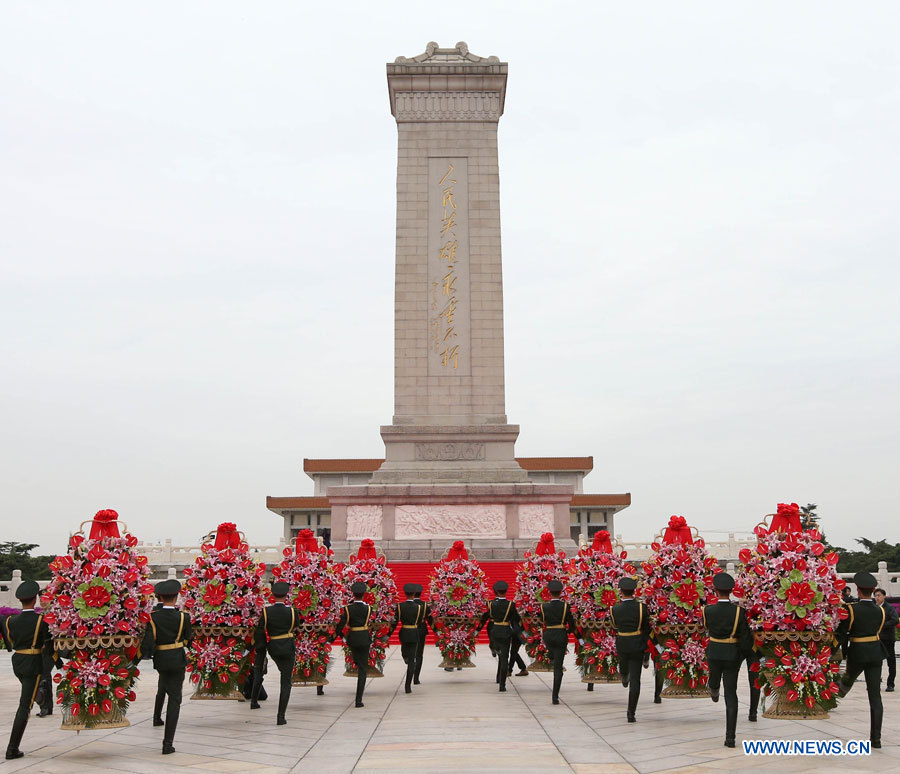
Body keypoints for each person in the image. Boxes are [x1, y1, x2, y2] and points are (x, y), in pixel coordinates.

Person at [140, 579, 193, 755]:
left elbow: (148, 644)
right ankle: (167, 743)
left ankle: (156, 717)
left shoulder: (153, 617)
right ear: (176, 597)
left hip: (161, 659)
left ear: (160, 597)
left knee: (163, 684)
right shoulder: (184, 617)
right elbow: (188, 640)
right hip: (177, 658)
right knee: (175, 699)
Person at [702, 573, 754, 748]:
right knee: (731, 694)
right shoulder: (739, 611)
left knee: (714, 679)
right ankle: (730, 737)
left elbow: (707, 629)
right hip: (732, 653)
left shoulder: (707, 610)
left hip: (714, 651)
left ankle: (714, 688)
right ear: (732, 591)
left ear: (715, 590)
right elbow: (745, 636)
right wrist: (742, 654)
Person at [3, 580, 51, 760]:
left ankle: (39, 694)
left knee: (28, 691)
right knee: (25, 705)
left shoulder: (11, 621)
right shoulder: (40, 620)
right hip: (32, 662)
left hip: (18, 662)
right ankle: (12, 748)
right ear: (35, 599)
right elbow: (47, 644)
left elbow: (11, 641)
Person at [837, 572, 885, 748]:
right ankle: (876, 739)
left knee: (847, 679)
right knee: (875, 696)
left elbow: (842, 634)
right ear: (873, 590)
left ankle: (835, 693)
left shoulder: (851, 610)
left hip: (858, 653)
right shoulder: (880, 610)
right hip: (876, 653)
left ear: (857, 590)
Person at [250, 580, 297, 725]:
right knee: (285, 681)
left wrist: (262, 649)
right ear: (287, 595)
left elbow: (260, 631)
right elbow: (296, 626)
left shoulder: (266, 611)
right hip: (288, 646)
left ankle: (253, 701)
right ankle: (281, 716)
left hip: (274, 647)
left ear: (272, 594)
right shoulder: (292, 611)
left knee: (262, 672)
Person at [610, 576, 651, 722]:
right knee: (636, 680)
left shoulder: (614, 609)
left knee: (624, 664)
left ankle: (624, 675)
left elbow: (614, 626)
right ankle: (631, 712)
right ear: (634, 591)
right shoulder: (642, 608)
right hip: (637, 644)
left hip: (622, 643)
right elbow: (646, 628)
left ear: (620, 591)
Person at [539, 579, 581, 705]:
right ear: (561, 592)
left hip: (549, 635)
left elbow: (542, 621)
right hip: (560, 635)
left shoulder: (543, 606)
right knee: (558, 668)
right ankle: (555, 696)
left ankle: (551, 656)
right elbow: (571, 625)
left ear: (549, 592)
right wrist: (578, 637)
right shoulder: (565, 607)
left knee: (552, 651)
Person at [476, 580, 521, 692]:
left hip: (494, 630)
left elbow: (484, 617)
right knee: (504, 657)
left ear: (495, 592)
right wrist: (523, 631)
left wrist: (477, 630)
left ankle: (494, 649)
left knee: (498, 650)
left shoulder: (491, 604)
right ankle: (502, 684)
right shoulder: (511, 605)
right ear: (506, 591)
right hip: (505, 630)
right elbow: (517, 620)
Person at [335, 581, 372, 707]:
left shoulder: (347, 609)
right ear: (364, 594)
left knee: (357, 662)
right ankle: (358, 699)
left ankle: (356, 663)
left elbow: (340, 625)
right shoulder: (368, 608)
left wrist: (340, 637)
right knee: (363, 668)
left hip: (353, 638)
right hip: (364, 638)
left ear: (352, 593)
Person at [392, 584, 426, 693]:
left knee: (407, 655)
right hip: (414, 632)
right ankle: (408, 684)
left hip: (405, 632)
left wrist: (389, 633)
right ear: (414, 594)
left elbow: (395, 621)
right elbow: (420, 621)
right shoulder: (420, 608)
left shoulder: (400, 606)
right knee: (410, 658)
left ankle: (408, 684)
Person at [874, 588, 897, 692]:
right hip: (876, 639)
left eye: (879, 595)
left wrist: (882, 626)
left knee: (891, 662)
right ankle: (875, 683)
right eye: (875, 596)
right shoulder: (874, 607)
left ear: (884, 596)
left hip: (887, 639)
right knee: (875, 662)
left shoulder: (889, 607)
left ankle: (890, 684)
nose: (877, 598)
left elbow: (895, 620)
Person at [411, 584, 433, 683]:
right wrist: (437, 631)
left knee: (411, 654)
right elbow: (430, 620)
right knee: (419, 654)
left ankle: (411, 672)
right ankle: (416, 678)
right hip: (421, 630)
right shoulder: (425, 605)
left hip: (409, 630)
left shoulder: (404, 605)